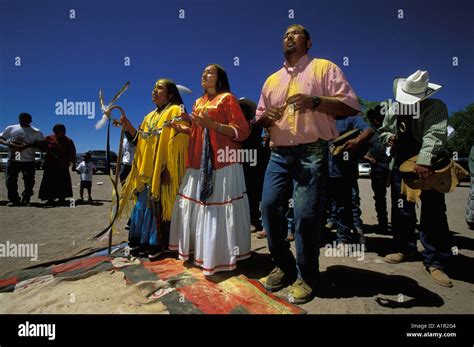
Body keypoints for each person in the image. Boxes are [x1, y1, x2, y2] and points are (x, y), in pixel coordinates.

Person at [256, 24, 361, 304]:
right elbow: (259, 119)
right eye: (285, 34)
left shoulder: (324, 68)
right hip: (278, 152)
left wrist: (314, 101)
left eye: (296, 33)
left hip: (312, 150)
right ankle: (284, 264)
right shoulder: (271, 80)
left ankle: (307, 275)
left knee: (305, 216)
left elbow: (350, 105)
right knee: (268, 207)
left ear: (309, 42)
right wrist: (268, 117)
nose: (289, 37)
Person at [169, 64, 251, 276]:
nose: (204, 75)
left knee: (217, 209)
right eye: (203, 72)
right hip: (198, 161)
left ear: (220, 78)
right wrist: (185, 128)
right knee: (195, 205)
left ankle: (220, 258)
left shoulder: (227, 99)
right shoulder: (198, 102)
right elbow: (199, 131)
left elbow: (242, 131)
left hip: (223, 162)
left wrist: (213, 125)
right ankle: (200, 253)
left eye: (210, 72)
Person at [379, 70, 454, 287]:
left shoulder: (435, 107)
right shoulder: (394, 108)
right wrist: (389, 137)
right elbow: (384, 130)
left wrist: (424, 160)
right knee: (401, 209)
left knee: (433, 211)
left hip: (427, 166)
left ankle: (436, 261)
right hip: (401, 164)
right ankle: (405, 248)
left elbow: (434, 134)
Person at [118, 79, 190, 259]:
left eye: (159, 88)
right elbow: (139, 141)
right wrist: (128, 127)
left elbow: (180, 142)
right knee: (142, 206)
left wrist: (168, 169)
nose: (154, 91)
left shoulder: (175, 110)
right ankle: (139, 242)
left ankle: (157, 244)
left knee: (158, 206)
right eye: (154, 88)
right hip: (145, 172)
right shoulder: (148, 116)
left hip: (164, 170)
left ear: (171, 94)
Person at [327, 117, 373, 245]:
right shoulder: (322, 117)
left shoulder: (351, 118)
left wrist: (357, 141)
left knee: (348, 203)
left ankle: (346, 237)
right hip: (324, 170)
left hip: (344, 171)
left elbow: (369, 130)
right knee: (327, 203)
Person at [239, 98, 270, 234]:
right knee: (244, 190)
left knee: (254, 191)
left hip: (255, 159)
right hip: (242, 159)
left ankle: (254, 220)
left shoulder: (254, 123)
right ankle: (248, 220)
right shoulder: (237, 124)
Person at [0, 113, 44, 206]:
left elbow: (42, 145)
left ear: (30, 120)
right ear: (19, 119)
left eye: (26, 120)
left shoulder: (36, 131)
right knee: (10, 180)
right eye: (21, 119)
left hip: (28, 160)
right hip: (13, 158)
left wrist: (27, 145)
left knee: (29, 181)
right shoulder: (11, 128)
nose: (23, 121)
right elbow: (1, 138)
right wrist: (8, 144)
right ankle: (14, 199)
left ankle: (26, 197)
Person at [364, 105, 390, 233]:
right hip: (378, 167)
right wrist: (369, 159)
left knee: (400, 196)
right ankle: (383, 223)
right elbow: (359, 150)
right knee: (380, 196)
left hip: (392, 166)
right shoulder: (369, 132)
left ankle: (401, 223)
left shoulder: (391, 130)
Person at [38, 124, 76, 206]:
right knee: (50, 182)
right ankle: (50, 198)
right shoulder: (49, 138)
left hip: (63, 165)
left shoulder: (68, 140)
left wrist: (73, 164)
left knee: (62, 182)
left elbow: (72, 153)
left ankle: (62, 198)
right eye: (57, 131)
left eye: (61, 131)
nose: (59, 133)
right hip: (50, 164)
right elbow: (41, 146)